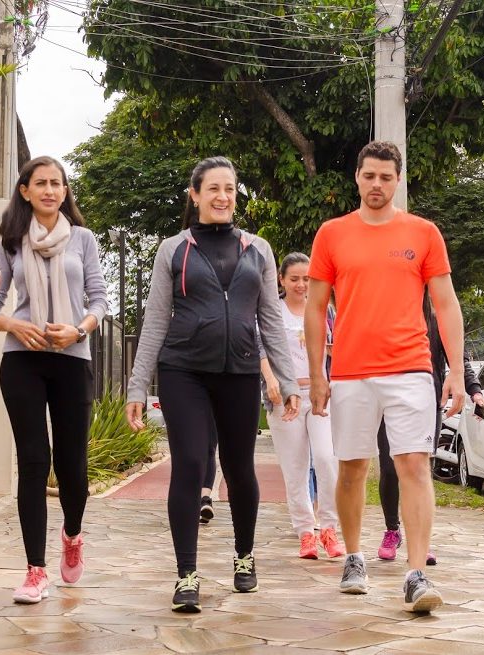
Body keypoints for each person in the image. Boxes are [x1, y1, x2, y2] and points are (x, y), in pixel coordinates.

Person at [125, 156, 300, 614]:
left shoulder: (258, 249)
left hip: (240, 372)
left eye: (230, 189)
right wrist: (137, 387)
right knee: (188, 464)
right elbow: (155, 321)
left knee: (240, 468)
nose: (224, 196)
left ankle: (244, 557)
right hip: (183, 371)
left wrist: (288, 379)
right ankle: (186, 574)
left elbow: (270, 323)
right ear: (195, 195)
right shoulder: (173, 250)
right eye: (214, 189)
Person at [305, 141, 466, 613]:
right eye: (369, 175)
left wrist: (455, 369)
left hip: (411, 367)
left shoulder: (424, 232)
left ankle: (416, 572)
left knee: (413, 464)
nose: (377, 184)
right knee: (352, 467)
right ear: (357, 177)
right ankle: (354, 557)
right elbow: (315, 308)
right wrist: (318, 374)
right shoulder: (332, 235)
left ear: (398, 181)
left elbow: (446, 303)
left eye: (386, 177)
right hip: (352, 371)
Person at [0, 156, 108, 604]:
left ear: (64, 191)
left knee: (72, 464)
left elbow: (99, 299)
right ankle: (35, 570)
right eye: (41, 183)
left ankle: (72, 535)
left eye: (57, 183)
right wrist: (14, 326)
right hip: (22, 359)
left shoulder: (84, 240)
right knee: (34, 461)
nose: (50, 190)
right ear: (26, 191)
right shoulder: (12, 243)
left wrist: (79, 328)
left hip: (73, 358)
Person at [377, 304, 484, 563]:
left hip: (427, 402)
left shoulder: (437, 319)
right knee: (390, 469)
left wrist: (475, 391)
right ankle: (392, 529)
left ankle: (419, 540)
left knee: (420, 471)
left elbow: (459, 361)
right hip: (388, 401)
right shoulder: (386, 312)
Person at [260, 252, 345, 560]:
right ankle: (306, 533)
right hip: (285, 399)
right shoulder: (272, 311)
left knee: (326, 459)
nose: (301, 284)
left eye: (307, 279)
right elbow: (261, 349)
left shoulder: (325, 310)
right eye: (294, 278)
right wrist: (272, 383)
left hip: (320, 395)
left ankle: (329, 527)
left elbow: (338, 350)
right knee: (295, 469)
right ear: (281, 280)